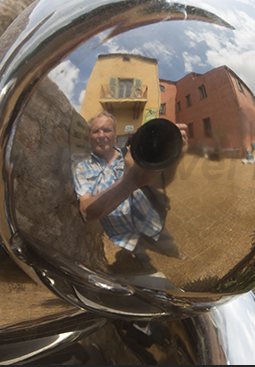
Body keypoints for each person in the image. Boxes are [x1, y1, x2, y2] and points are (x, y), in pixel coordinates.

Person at [73, 112, 187, 267]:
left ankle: (176, 254)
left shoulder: (134, 154)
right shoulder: (81, 167)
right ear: (89, 137)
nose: (101, 135)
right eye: (95, 131)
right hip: (123, 235)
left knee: (168, 244)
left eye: (107, 130)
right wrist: (131, 181)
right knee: (143, 262)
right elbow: (86, 211)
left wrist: (173, 158)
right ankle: (145, 264)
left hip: (149, 221)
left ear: (114, 135)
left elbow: (158, 183)